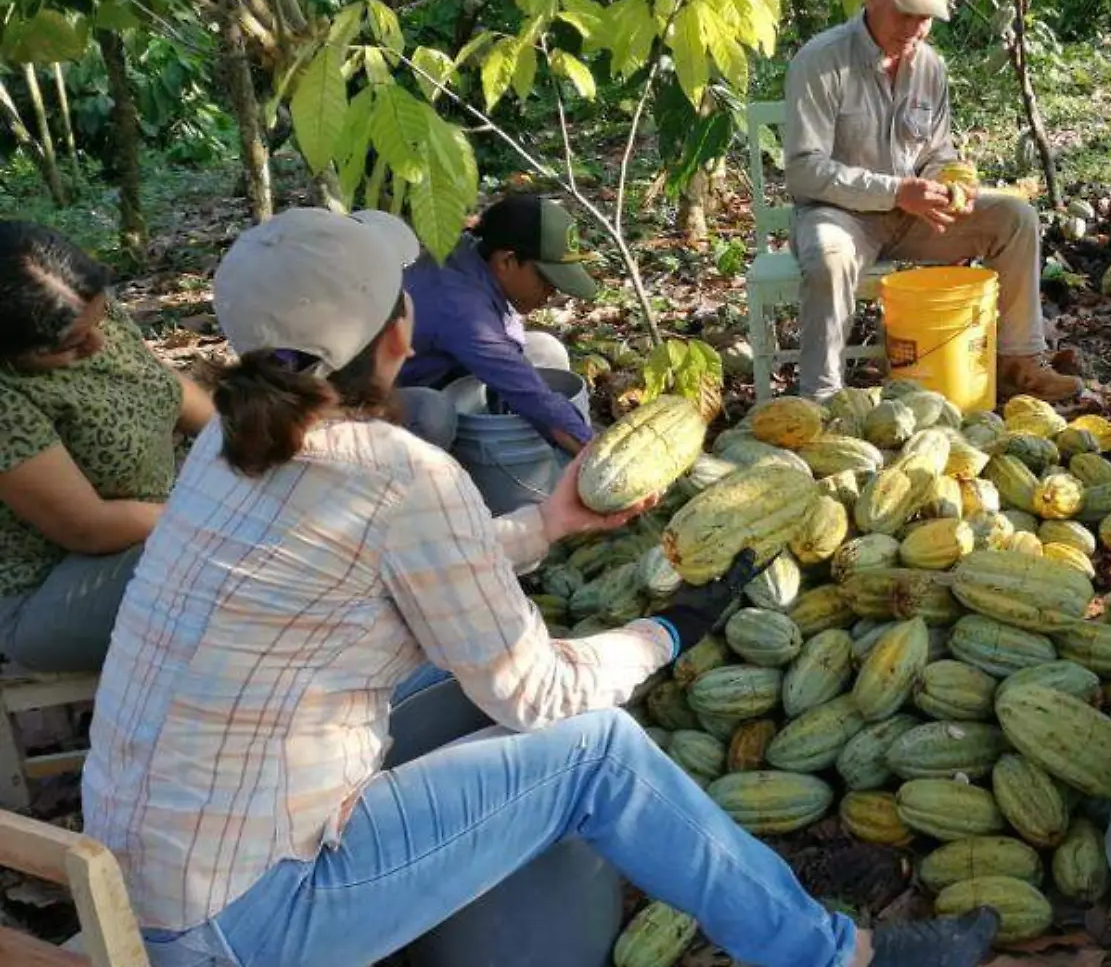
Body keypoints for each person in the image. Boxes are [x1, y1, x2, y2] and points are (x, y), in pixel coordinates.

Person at [82, 207, 998, 967]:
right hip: (245, 924)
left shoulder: (226, 442)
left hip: (140, 883)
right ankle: (839, 957)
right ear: (400, 331)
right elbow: (538, 695)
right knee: (593, 750)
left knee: (439, 686)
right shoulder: (401, 473)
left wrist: (548, 523)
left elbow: (388, 575)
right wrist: (670, 632)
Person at [785, 0, 1082, 403]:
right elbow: (805, 172)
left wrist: (950, 180)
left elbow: (935, 152)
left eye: (925, 18)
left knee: (1015, 219)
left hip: (913, 217)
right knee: (830, 256)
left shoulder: (930, 67)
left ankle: (1017, 363)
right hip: (839, 216)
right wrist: (896, 191)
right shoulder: (822, 61)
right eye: (905, 13)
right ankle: (820, 399)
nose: (915, 28)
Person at [0, 222, 213, 673]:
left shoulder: (85, 308)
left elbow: (160, 385)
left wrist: (246, 434)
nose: (98, 344)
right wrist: (214, 514)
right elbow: (89, 528)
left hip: (152, 528)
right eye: (73, 344)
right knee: (249, 560)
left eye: (98, 321)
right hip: (46, 592)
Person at [398, 194, 600, 455]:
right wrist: (598, 456)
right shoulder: (463, 309)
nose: (552, 292)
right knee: (432, 415)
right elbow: (535, 398)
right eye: (546, 280)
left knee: (545, 352)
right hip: (364, 403)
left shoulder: (472, 254)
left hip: (436, 370)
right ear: (507, 261)